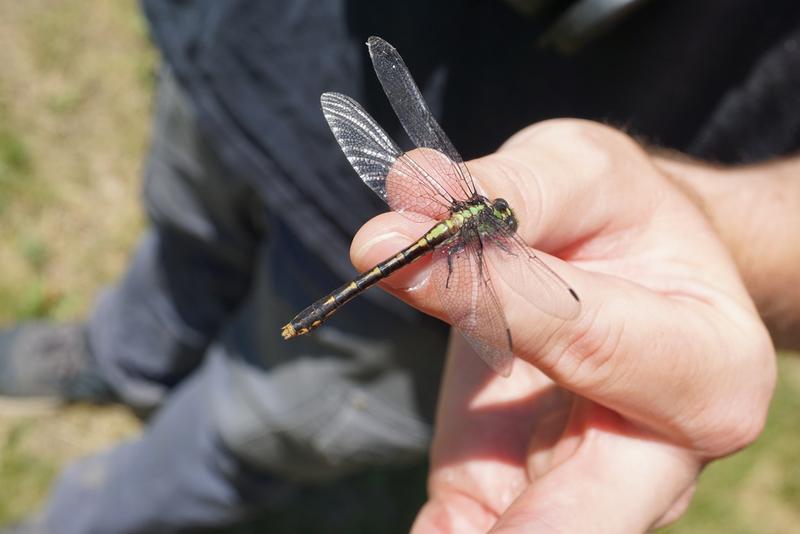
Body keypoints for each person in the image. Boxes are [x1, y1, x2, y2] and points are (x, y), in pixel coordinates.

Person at [1, 0, 798, 532]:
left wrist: (688, 209)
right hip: (240, 51)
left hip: (383, 330)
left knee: (240, 432)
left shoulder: (488, 246)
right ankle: (119, 358)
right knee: (183, 249)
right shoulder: (485, 238)